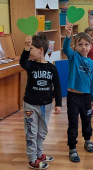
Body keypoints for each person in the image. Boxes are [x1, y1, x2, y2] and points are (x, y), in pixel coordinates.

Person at [20, 34, 62, 169]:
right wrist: (26, 48)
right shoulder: (30, 65)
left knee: (42, 132)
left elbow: (58, 86)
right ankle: (32, 159)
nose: (30, 51)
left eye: (32, 48)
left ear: (41, 50)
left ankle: (38, 153)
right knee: (31, 132)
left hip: (46, 106)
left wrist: (59, 104)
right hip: (30, 106)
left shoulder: (52, 68)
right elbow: (23, 62)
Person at [63, 23, 93, 162]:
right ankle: (72, 147)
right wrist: (68, 36)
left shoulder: (91, 63)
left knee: (87, 120)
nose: (83, 47)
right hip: (73, 97)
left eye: (86, 44)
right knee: (73, 122)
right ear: (75, 47)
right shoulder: (74, 57)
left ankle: (87, 140)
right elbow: (66, 48)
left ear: (90, 46)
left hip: (86, 97)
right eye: (80, 44)